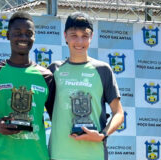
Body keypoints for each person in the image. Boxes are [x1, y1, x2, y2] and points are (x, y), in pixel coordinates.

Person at [0, 11, 55, 160]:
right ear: (8, 35)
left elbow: (57, 119)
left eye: (28, 33)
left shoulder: (46, 76)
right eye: (17, 33)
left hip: (37, 156)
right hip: (2, 156)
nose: (23, 37)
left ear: (34, 37)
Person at [47, 12, 124, 160]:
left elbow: (119, 113)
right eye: (74, 35)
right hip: (59, 153)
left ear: (91, 37)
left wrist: (102, 135)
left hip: (94, 154)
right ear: (65, 36)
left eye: (85, 35)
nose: (79, 41)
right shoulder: (54, 70)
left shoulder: (103, 70)